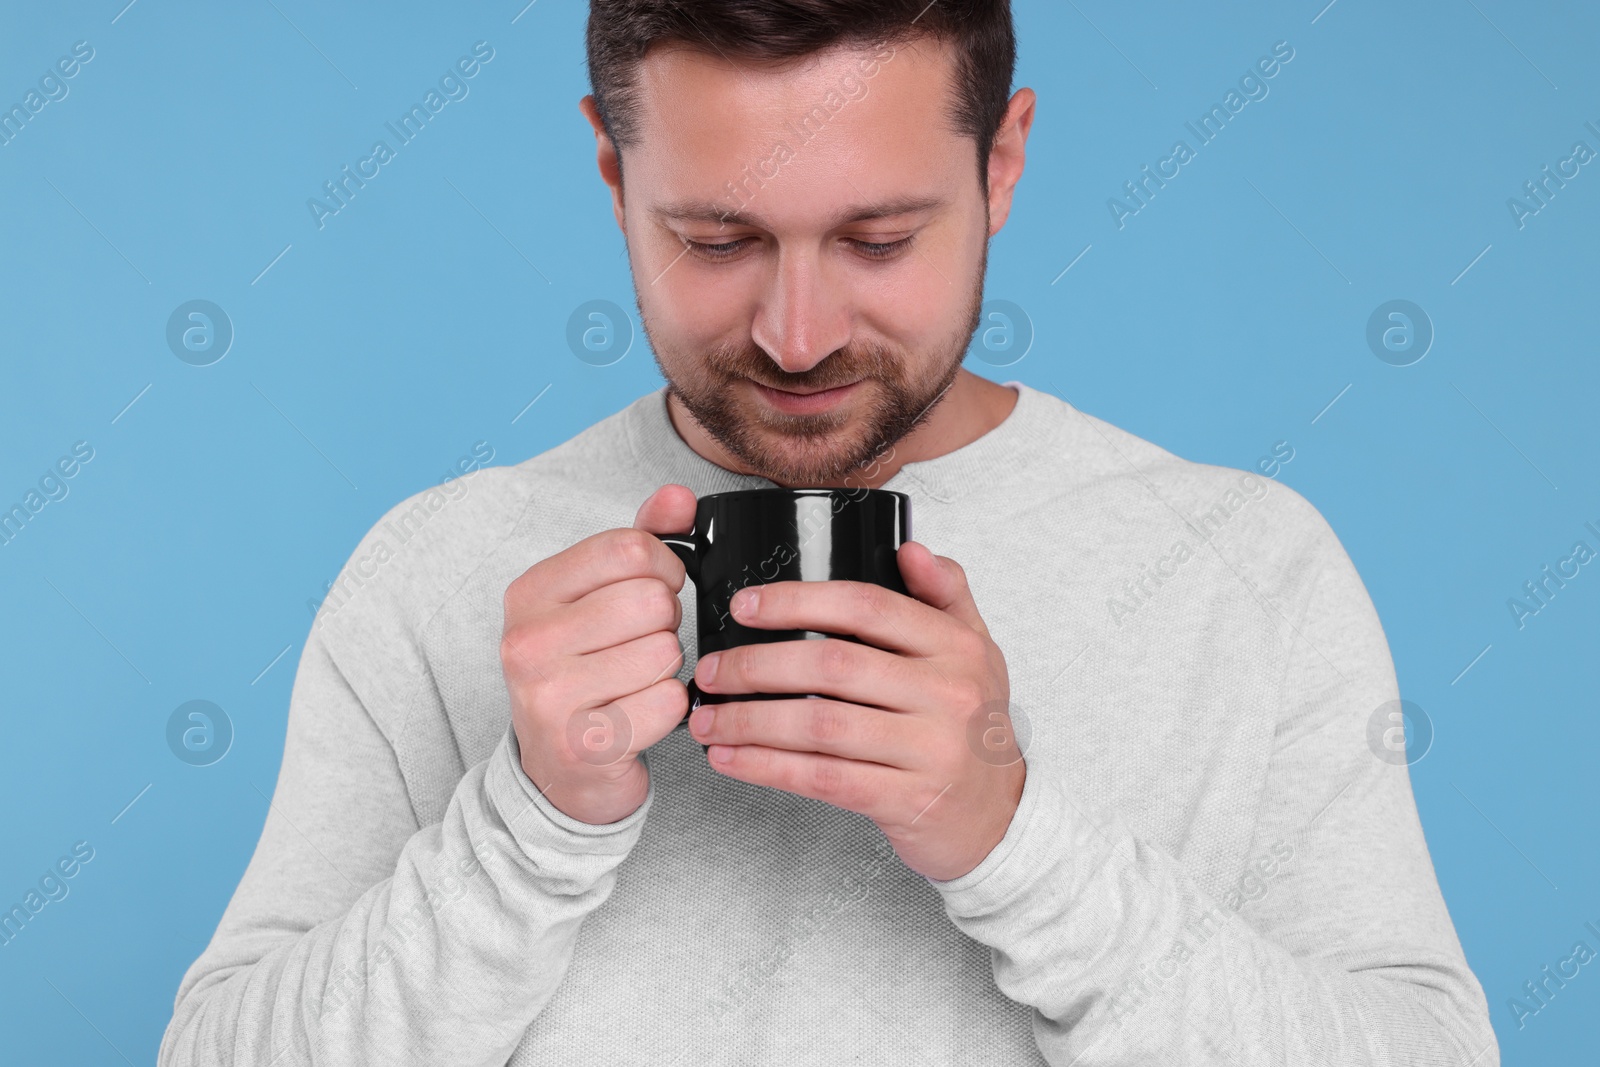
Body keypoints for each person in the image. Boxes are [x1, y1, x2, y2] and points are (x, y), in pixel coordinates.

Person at [158, 2, 1498, 1063]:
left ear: (1005, 163)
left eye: (878, 237)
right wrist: (528, 826)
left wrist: (1011, 838)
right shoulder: (441, 573)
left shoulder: (1246, 573)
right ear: (612, 172)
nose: (796, 337)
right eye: (717, 238)